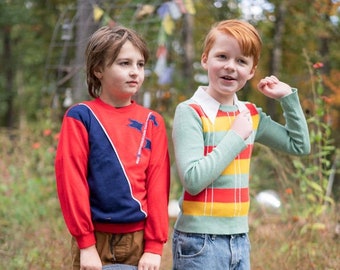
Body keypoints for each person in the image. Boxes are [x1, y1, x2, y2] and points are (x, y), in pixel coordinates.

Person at [171, 19, 310, 270]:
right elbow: (192, 179)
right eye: (222, 56)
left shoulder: (250, 115)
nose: (230, 67)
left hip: (239, 240)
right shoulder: (191, 111)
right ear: (205, 59)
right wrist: (236, 137)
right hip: (199, 242)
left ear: (252, 71)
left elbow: (299, 145)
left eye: (241, 61)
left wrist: (287, 97)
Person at [55, 26, 170, 270]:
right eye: (124, 63)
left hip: (138, 241)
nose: (134, 72)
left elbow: (158, 186)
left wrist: (154, 247)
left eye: (140, 64)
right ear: (98, 69)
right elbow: (71, 181)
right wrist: (86, 245)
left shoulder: (152, 122)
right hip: (95, 239)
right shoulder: (81, 117)